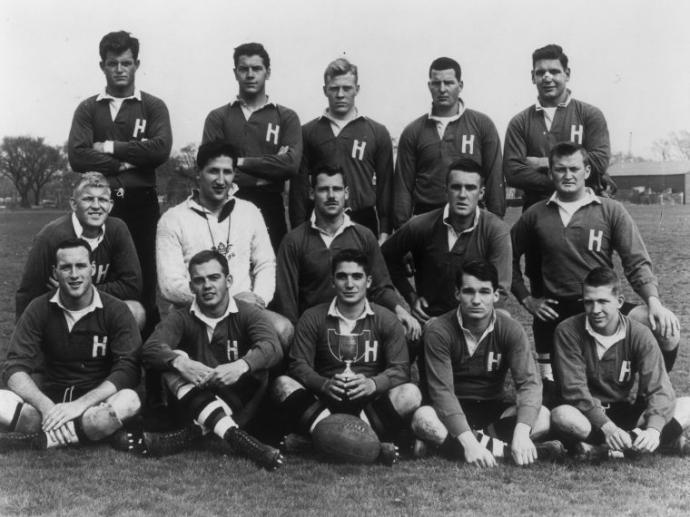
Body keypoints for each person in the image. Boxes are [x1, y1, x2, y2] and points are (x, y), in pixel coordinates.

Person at [511, 142, 680, 406]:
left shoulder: (611, 210)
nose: (568, 175)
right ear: (550, 174)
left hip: (603, 305)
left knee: (666, 329)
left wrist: (654, 302)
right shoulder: (535, 215)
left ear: (587, 171)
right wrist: (526, 298)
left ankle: (650, 398)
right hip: (559, 314)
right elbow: (504, 258)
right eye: (560, 169)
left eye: (574, 169)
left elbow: (636, 261)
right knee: (559, 399)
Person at [67, 31, 172, 336]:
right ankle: (98, 350)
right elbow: (77, 156)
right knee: (100, 274)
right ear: (103, 66)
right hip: (99, 205)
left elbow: (160, 149)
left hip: (141, 203)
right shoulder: (89, 108)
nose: (120, 69)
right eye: (113, 63)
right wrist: (127, 163)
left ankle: (150, 364)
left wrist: (110, 148)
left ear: (137, 64)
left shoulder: (152, 106)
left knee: (143, 279)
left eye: (126, 62)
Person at [139, 250, 284, 469]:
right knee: (172, 359)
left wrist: (241, 365)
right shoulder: (181, 316)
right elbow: (150, 348)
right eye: (199, 280)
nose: (207, 286)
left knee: (258, 362)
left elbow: (272, 347)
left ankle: (190, 435)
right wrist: (182, 363)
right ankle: (238, 439)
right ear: (191, 287)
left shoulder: (248, 313)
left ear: (228, 281)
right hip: (195, 398)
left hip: (239, 402)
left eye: (213, 278)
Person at [411, 260, 564, 467]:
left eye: (484, 292)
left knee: (542, 416)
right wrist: (470, 444)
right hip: (448, 409)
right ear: (457, 294)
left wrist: (520, 433)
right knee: (424, 419)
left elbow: (529, 384)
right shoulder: (438, 330)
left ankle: (448, 445)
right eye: (468, 292)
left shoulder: (511, 329)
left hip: (491, 409)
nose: (476, 300)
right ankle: (504, 451)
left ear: (496, 295)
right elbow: (442, 392)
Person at [272, 249, 421, 458]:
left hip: (369, 405)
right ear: (333, 281)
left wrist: (373, 384)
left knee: (411, 393)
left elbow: (400, 370)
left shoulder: (385, 318)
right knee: (281, 384)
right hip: (324, 402)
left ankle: (312, 445)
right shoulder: (313, 317)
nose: (349, 284)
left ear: (368, 281)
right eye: (342, 276)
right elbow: (298, 365)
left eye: (357, 277)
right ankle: (373, 448)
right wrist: (323, 384)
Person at [0, 239, 141, 450]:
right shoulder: (38, 308)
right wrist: (46, 407)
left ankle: (44, 439)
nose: (74, 275)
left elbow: (128, 369)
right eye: (66, 267)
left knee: (129, 400)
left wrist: (79, 406)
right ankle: (81, 433)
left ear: (92, 269)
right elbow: (14, 367)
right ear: (56, 272)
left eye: (81, 266)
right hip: (47, 403)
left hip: (94, 405)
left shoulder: (116, 309)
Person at [156, 141, 292, 351]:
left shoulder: (250, 211)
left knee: (283, 329)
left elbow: (265, 264)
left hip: (245, 312)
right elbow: (170, 286)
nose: (221, 180)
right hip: (193, 313)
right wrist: (225, 303)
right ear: (198, 173)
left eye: (227, 172)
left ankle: (271, 383)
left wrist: (258, 301)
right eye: (213, 171)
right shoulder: (173, 218)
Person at [551, 267, 690, 459]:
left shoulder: (639, 333)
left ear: (619, 302)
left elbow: (660, 387)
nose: (595, 310)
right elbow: (574, 390)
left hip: (623, 410)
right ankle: (630, 446)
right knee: (561, 415)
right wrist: (607, 427)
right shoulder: (567, 331)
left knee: (687, 405)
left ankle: (604, 450)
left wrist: (654, 430)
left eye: (603, 302)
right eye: (589, 302)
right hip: (588, 415)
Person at [275, 165, 419, 339]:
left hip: (360, 330)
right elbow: (287, 302)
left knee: (407, 333)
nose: (331, 196)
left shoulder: (364, 236)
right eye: (323, 190)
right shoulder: (294, 241)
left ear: (346, 193)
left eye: (336, 189)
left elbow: (380, 288)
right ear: (312, 194)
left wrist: (400, 310)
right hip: (315, 333)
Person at [382, 158, 511, 325]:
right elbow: (383, 257)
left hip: (476, 323)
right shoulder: (421, 225)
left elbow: (499, 292)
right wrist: (410, 296)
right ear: (446, 190)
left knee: (504, 320)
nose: (463, 195)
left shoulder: (495, 230)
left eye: (470, 188)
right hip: (430, 323)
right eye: (456, 187)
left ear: (481, 193)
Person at [202, 42, 302, 250]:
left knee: (270, 273)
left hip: (270, 207)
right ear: (235, 73)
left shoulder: (286, 117)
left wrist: (236, 162)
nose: (250, 74)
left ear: (268, 72)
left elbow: (290, 165)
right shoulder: (218, 117)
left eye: (256, 68)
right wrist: (270, 171)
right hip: (227, 204)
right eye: (243, 68)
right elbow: (210, 168)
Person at [15, 172, 143, 328]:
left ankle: (118, 353)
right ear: (73, 204)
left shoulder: (117, 229)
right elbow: (28, 293)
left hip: (99, 308)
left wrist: (80, 290)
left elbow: (132, 286)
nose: (96, 206)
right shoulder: (50, 236)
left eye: (102, 199)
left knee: (135, 310)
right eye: (88, 199)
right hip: (60, 314)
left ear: (110, 205)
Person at [393, 56, 504, 229]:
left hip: (471, 219)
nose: (442, 89)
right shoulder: (413, 131)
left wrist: (495, 223)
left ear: (460, 86)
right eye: (436, 84)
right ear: (429, 86)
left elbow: (494, 176)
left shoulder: (482, 125)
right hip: (426, 219)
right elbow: (403, 187)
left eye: (449, 83)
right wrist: (402, 229)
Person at [289, 58, 394, 241]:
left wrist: (384, 232)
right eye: (334, 88)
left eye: (347, 88)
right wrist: (299, 233)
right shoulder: (308, 132)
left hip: (362, 218)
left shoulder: (377, 132)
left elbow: (386, 187)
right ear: (325, 90)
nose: (340, 94)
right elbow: (298, 190)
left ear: (357, 90)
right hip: (320, 220)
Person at [504, 44, 613, 210]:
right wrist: (573, 180)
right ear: (533, 77)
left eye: (554, 71)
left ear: (567, 74)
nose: (547, 77)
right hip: (537, 211)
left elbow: (599, 161)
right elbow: (513, 172)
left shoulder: (590, 114)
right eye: (540, 73)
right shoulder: (519, 122)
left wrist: (542, 162)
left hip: (585, 210)